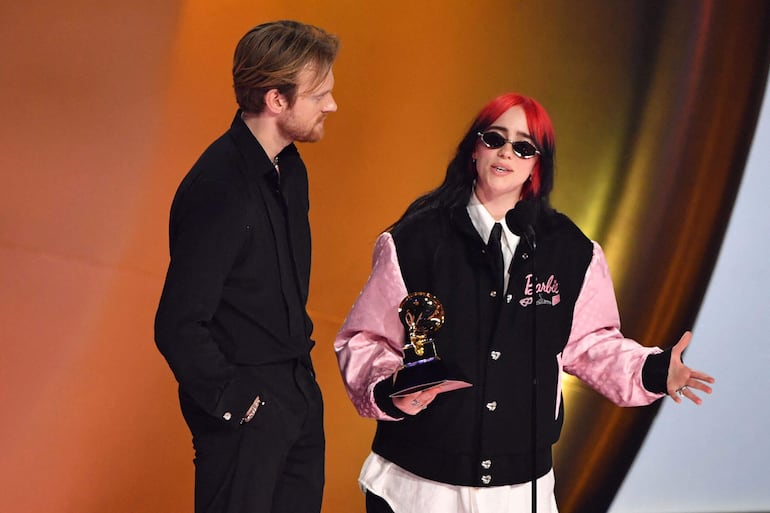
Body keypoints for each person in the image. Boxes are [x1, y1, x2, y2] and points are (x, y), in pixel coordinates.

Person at [333, 92, 714, 513]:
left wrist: (654, 369)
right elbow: (363, 340)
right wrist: (392, 390)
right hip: (415, 484)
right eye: (494, 138)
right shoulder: (414, 240)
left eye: (523, 146)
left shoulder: (570, 251)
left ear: (538, 164)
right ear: (474, 149)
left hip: (519, 492)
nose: (505, 153)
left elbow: (591, 344)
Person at [154, 20, 338, 513]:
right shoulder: (218, 187)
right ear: (277, 100)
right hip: (246, 414)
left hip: (297, 395)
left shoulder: (291, 170)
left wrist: (298, 396)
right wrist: (241, 406)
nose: (331, 105)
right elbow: (177, 325)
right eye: (320, 94)